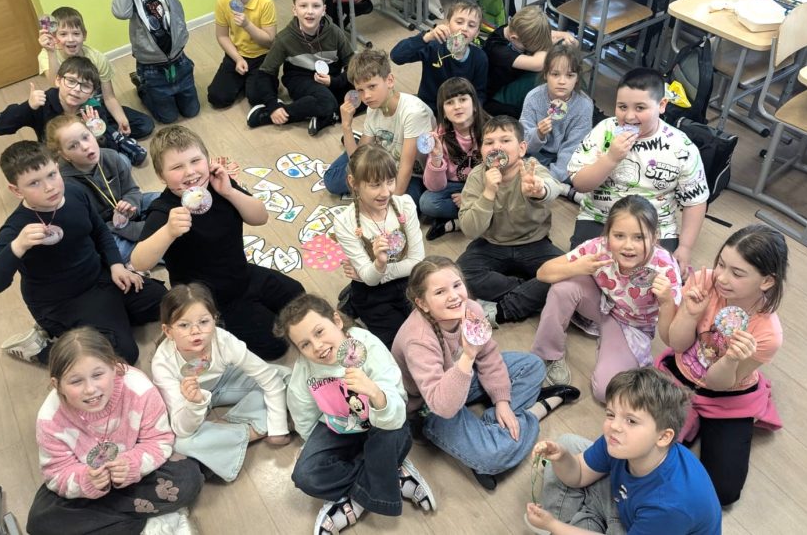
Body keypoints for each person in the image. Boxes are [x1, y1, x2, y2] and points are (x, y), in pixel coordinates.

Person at [392, 256, 580, 491]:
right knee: (493, 456)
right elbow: (443, 406)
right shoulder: (418, 340)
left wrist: (502, 401)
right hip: (430, 406)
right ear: (422, 303)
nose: (454, 296)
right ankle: (536, 412)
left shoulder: (471, 309)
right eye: (440, 292)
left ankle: (492, 427)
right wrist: (468, 355)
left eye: (457, 285)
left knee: (533, 365)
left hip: (463, 378)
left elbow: (489, 355)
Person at [0, 141, 166, 364]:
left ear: (58, 167)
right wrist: (17, 246)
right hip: (62, 303)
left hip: (100, 279)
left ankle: (102, 326)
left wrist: (116, 265)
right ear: (16, 190)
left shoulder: (74, 192)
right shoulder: (17, 227)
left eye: (52, 175)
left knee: (164, 302)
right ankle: (41, 349)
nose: (49, 187)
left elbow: (100, 231)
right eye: (34, 183)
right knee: (122, 355)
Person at [131, 126, 303, 360]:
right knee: (275, 346)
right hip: (209, 300)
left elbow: (260, 217)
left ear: (207, 159)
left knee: (298, 296)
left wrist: (230, 192)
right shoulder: (164, 209)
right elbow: (139, 261)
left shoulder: (219, 185)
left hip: (242, 274)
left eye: (195, 161)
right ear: (161, 176)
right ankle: (212, 327)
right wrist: (168, 232)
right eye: (177, 167)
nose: (190, 172)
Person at [274, 294, 436, 535]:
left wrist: (374, 392)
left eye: (319, 332)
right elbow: (303, 413)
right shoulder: (304, 371)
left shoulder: (367, 346)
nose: (317, 346)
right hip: (337, 426)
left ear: (337, 321)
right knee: (305, 476)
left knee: (394, 433)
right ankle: (390, 474)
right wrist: (312, 446)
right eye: (305, 344)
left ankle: (356, 500)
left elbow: (397, 408)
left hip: (382, 421)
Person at [656, 224, 788, 506]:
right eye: (721, 264)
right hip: (681, 374)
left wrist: (731, 359)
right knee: (647, 449)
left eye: (737, 273)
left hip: (727, 396)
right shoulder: (704, 281)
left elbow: (717, 383)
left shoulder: (768, 333)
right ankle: (689, 419)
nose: (722, 278)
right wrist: (690, 314)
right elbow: (677, 343)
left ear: (767, 281)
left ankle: (698, 422)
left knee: (723, 491)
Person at [26, 328, 203, 535]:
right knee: (39, 522)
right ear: (57, 385)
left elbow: (159, 440)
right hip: (89, 483)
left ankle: (115, 525)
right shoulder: (50, 418)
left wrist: (132, 464)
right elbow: (57, 473)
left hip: (139, 473)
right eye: (75, 381)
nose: (90, 389)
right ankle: (148, 519)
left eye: (98, 375)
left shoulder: (139, 389)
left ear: (114, 367)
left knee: (188, 478)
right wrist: (86, 480)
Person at [525, 367, 721, 535]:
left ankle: (568, 521)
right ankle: (576, 519)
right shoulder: (621, 443)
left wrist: (553, 525)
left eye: (631, 421)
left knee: (565, 517)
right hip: (626, 502)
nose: (614, 426)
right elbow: (579, 475)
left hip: (646, 523)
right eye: (611, 414)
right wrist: (562, 458)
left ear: (663, 437)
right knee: (566, 445)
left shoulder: (670, 505)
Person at [533, 196, 682, 401]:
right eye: (619, 235)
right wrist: (576, 267)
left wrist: (666, 302)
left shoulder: (665, 268)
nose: (628, 246)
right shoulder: (599, 247)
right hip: (601, 304)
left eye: (639, 237)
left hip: (632, 326)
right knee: (563, 287)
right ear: (607, 233)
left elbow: (670, 337)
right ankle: (548, 354)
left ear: (655, 237)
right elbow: (542, 273)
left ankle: (616, 348)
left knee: (605, 391)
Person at [567, 67, 709, 275]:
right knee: (579, 276)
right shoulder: (604, 131)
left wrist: (685, 247)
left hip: (656, 228)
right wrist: (611, 158)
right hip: (600, 218)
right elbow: (580, 183)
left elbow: (695, 201)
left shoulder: (681, 147)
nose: (629, 116)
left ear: (662, 105)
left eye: (640, 108)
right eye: (622, 107)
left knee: (655, 283)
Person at [151, 284, 291, 483]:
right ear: (168, 331)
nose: (196, 331)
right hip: (190, 400)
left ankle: (229, 430)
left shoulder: (222, 340)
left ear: (214, 319)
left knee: (285, 376)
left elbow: (269, 378)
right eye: (183, 325)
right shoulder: (162, 364)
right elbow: (182, 429)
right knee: (180, 443)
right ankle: (255, 429)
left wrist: (278, 428)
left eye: (204, 322)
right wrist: (195, 403)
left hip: (225, 380)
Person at [457, 115, 563, 325]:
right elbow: (469, 229)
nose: (497, 147)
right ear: (481, 150)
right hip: (491, 244)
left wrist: (539, 190)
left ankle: (504, 309)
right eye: (489, 142)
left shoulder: (531, 169)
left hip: (534, 242)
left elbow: (552, 187)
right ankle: (530, 289)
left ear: (522, 148)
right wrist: (488, 193)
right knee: (461, 275)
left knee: (569, 272)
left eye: (505, 140)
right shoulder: (477, 176)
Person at [331, 145, 424, 349]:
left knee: (431, 328)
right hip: (372, 292)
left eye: (390, 181)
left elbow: (417, 262)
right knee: (401, 346)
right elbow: (371, 281)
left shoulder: (405, 205)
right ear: (353, 183)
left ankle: (351, 299)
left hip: (408, 280)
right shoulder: (345, 222)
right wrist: (377, 266)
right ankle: (355, 300)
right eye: (375, 185)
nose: (386, 192)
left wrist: (377, 271)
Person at [0, 56, 148, 166]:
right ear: (58, 80)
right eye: (71, 81)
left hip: (85, 158)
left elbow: (107, 150)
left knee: (122, 162)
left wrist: (97, 134)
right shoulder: (42, 103)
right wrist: (28, 106)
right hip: (57, 158)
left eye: (85, 86)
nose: (76, 89)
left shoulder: (93, 108)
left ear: (92, 93)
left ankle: (116, 136)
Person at [323, 48, 434, 202]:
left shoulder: (413, 113)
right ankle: (361, 139)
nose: (366, 96)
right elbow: (358, 161)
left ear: (390, 80)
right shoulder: (373, 109)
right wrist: (346, 127)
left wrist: (392, 206)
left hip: (413, 174)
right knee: (332, 181)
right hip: (383, 163)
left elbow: (406, 168)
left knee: (406, 203)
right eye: (360, 90)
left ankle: (364, 141)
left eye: (372, 86)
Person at [248, 0, 354, 136]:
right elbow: (265, 73)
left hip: (330, 78)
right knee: (327, 101)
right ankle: (267, 115)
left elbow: (352, 63)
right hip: (300, 79)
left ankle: (326, 115)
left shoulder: (335, 32)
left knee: (363, 94)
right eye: (303, 6)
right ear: (294, 10)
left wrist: (335, 81)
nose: (310, 11)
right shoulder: (284, 39)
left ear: (324, 10)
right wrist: (273, 106)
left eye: (316, 6)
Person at [45, 115, 157, 263]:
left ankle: (149, 243)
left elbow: (132, 190)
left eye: (86, 137)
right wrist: (120, 226)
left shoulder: (111, 156)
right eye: (73, 146)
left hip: (126, 214)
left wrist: (130, 206)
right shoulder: (65, 185)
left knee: (158, 198)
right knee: (117, 251)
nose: (85, 146)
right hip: (104, 228)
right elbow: (86, 227)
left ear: (93, 134)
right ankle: (155, 242)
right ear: (64, 155)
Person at [37, 6, 154, 140]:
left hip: (96, 107)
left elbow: (109, 97)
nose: (70, 39)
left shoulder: (97, 58)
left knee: (145, 125)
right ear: (54, 37)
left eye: (76, 33)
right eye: (63, 34)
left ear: (84, 35)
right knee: (55, 138)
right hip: (68, 111)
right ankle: (103, 135)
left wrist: (122, 120)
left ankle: (104, 134)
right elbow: (55, 84)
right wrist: (51, 52)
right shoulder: (48, 55)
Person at [206, 0, 277, 109]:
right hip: (237, 53)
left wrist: (247, 25)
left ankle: (256, 81)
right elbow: (222, 36)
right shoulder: (222, 1)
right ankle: (247, 80)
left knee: (258, 98)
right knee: (216, 98)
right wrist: (237, 59)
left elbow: (269, 42)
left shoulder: (265, 1)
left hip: (262, 56)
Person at [519, 43, 592, 198]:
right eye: (555, 74)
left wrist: (553, 175)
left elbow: (573, 148)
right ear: (546, 74)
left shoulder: (584, 105)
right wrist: (538, 133)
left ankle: (553, 184)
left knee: (584, 173)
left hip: (566, 161)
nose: (562, 81)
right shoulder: (533, 98)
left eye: (570, 75)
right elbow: (524, 142)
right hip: (536, 154)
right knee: (516, 160)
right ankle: (561, 189)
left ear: (577, 78)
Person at [390, 0, 488, 114]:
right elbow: (397, 56)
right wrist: (426, 37)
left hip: (458, 111)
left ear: (477, 33)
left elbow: (479, 92)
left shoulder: (480, 58)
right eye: (459, 22)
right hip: (429, 107)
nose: (464, 28)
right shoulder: (433, 46)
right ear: (448, 24)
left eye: (471, 25)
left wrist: (472, 111)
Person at [421, 77, 488, 241]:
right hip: (453, 184)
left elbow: (500, 172)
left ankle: (458, 222)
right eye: (450, 102)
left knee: (505, 196)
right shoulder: (440, 136)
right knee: (427, 203)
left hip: (485, 183)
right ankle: (473, 216)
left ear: (474, 105)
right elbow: (435, 186)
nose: (457, 106)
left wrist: (471, 195)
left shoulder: (490, 130)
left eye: (463, 99)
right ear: (443, 112)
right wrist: (436, 157)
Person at [483, 6, 576, 117]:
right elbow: (538, 64)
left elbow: (542, 33)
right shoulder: (497, 50)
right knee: (548, 71)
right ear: (514, 38)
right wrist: (549, 45)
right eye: (530, 47)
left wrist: (565, 36)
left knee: (564, 64)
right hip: (496, 99)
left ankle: (573, 104)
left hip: (513, 81)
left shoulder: (516, 28)